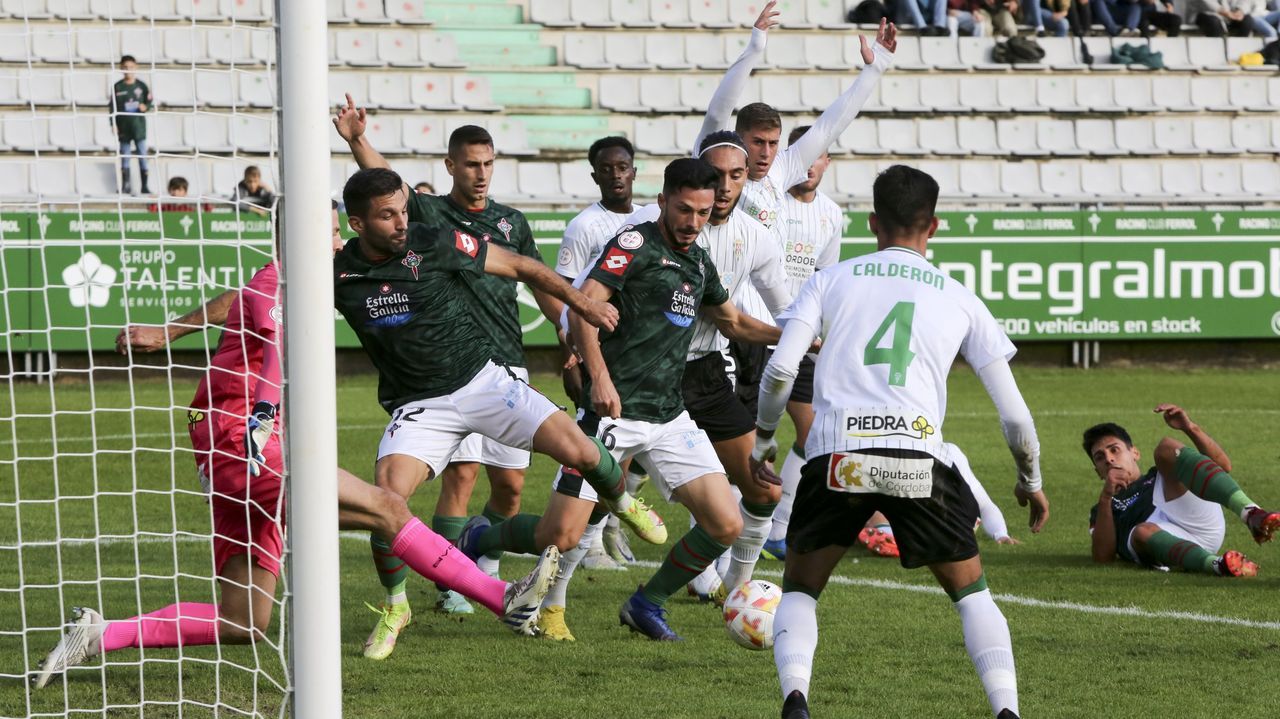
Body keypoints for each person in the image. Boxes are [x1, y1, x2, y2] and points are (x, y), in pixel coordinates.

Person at [35, 202, 563, 690]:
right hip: (246, 441)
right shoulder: (283, 285)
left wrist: (174, 332)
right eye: (328, 233)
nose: (337, 244)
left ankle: (101, 634)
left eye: (337, 232)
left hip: (223, 451)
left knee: (243, 621)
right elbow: (274, 358)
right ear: (293, 237)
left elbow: (243, 309)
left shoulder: (276, 281)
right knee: (386, 506)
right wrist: (264, 420)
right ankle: (502, 598)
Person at [756, 165, 1048, 719]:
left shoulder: (831, 279)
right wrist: (1029, 480)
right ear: (933, 226)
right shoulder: (961, 298)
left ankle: (796, 698)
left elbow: (780, 371)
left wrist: (763, 443)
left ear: (872, 222)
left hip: (837, 457)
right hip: (918, 458)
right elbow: (1015, 416)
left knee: (799, 589)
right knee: (972, 596)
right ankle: (1006, 710)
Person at [330, 167, 664, 643]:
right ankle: (395, 606)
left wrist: (582, 306)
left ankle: (622, 499)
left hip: (483, 381)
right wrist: (180, 328)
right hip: (420, 405)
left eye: (403, 210)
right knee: (387, 501)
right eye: (387, 216)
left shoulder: (433, 241)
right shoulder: (338, 276)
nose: (402, 222)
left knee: (585, 452)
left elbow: (522, 266)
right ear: (358, 224)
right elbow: (256, 299)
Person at [460, 158, 786, 642]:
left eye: (701, 212)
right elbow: (582, 311)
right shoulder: (632, 245)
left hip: (669, 415)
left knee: (725, 523)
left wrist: (797, 338)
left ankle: (645, 604)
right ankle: (481, 536)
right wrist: (600, 378)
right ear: (662, 202)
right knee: (561, 535)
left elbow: (733, 322)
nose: (693, 222)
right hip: (611, 414)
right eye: (683, 210)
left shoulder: (698, 261)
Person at [333, 105, 592, 650]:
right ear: (451, 166)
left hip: (504, 363)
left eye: (488, 163)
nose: (480, 172)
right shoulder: (426, 218)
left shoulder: (511, 222)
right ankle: (447, 588)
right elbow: (383, 188)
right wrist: (359, 141)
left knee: (513, 487)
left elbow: (534, 277)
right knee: (460, 478)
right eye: (471, 163)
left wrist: (568, 332)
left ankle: (479, 550)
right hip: (443, 373)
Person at [694, 10, 895, 461]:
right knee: (714, 447)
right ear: (736, 139)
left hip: (771, 329)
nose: (765, 153)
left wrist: (875, 68)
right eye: (756, 142)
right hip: (717, 329)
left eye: (772, 143)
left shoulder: (780, 170)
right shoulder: (713, 161)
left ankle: (767, 527)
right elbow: (716, 109)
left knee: (767, 445)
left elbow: (829, 127)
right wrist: (756, 48)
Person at [555, 135, 645, 571]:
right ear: (595, 176)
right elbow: (566, 294)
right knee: (600, 447)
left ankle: (608, 523)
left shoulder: (650, 219)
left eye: (622, 166)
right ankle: (587, 541)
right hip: (597, 349)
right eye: (606, 168)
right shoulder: (584, 226)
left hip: (640, 349)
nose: (615, 174)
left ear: (634, 171)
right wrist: (571, 352)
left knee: (633, 446)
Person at [1085, 404, 1278, 575]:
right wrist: (1107, 496)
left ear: (1134, 453)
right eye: (1100, 457)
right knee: (1142, 532)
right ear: (1097, 471)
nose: (1109, 459)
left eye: (1114, 450)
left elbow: (1223, 467)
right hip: (1164, 543)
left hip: (1199, 522)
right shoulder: (1101, 509)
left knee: (1166, 448)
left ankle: (1251, 513)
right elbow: (1103, 557)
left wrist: (1190, 428)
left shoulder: (1159, 475)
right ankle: (1217, 565)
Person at [111, 55, 152, 196]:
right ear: (121, 68)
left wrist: (145, 107)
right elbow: (112, 107)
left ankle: (145, 186)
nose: (128, 70)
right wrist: (113, 124)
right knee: (125, 156)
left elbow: (149, 102)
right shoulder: (117, 87)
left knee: (142, 155)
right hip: (123, 127)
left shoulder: (141, 86)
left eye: (131, 67)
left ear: (136, 67)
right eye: (125, 68)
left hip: (138, 127)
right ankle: (125, 185)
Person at [147, 176, 214, 214]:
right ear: (169, 190)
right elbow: (152, 215)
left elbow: (208, 215)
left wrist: (206, 202)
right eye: (173, 189)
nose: (175, 193)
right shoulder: (164, 208)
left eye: (179, 190)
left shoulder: (190, 210)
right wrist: (153, 202)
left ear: (185, 192)